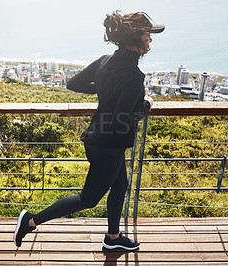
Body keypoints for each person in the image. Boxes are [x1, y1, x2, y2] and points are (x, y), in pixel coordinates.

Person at [13, 10, 164, 250]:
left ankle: (113, 239)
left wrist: (106, 89)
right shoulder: (134, 76)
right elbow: (123, 120)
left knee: (120, 185)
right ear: (135, 39)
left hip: (97, 137)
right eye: (148, 35)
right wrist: (147, 104)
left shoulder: (105, 61)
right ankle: (30, 221)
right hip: (109, 144)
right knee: (89, 199)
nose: (151, 40)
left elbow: (73, 83)